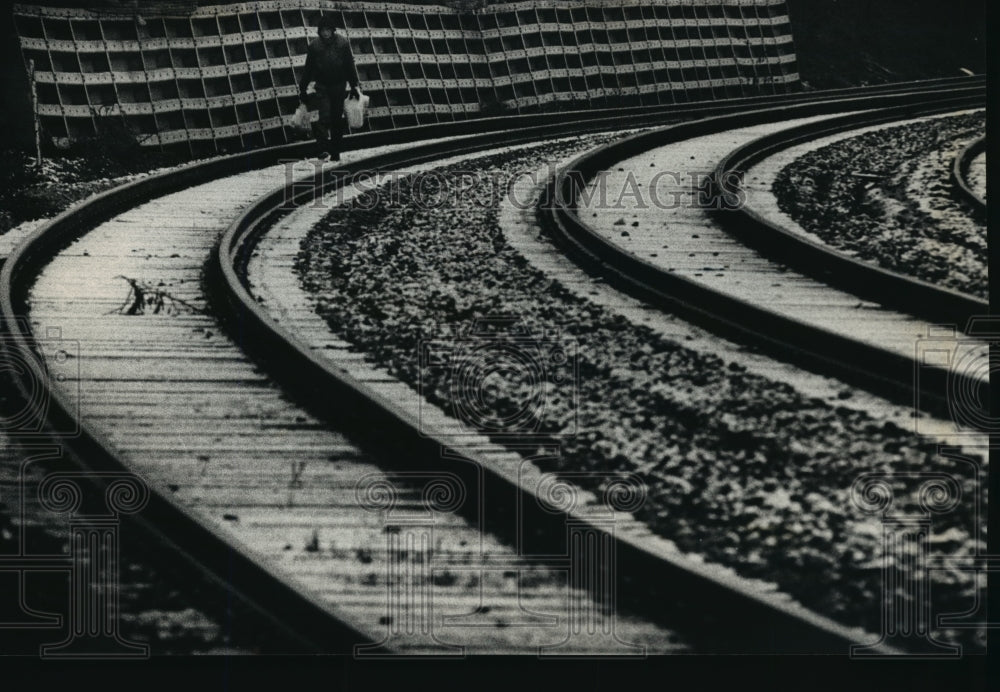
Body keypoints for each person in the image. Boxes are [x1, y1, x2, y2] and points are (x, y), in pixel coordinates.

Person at [298, 14, 360, 162]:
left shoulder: (343, 43)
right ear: (319, 31)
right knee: (324, 117)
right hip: (322, 86)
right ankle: (322, 148)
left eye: (328, 30)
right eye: (323, 30)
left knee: (337, 119)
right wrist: (303, 88)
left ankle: (335, 151)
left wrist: (354, 85)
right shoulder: (314, 46)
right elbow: (308, 69)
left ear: (333, 30)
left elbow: (349, 65)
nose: (325, 33)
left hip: (339, 86)